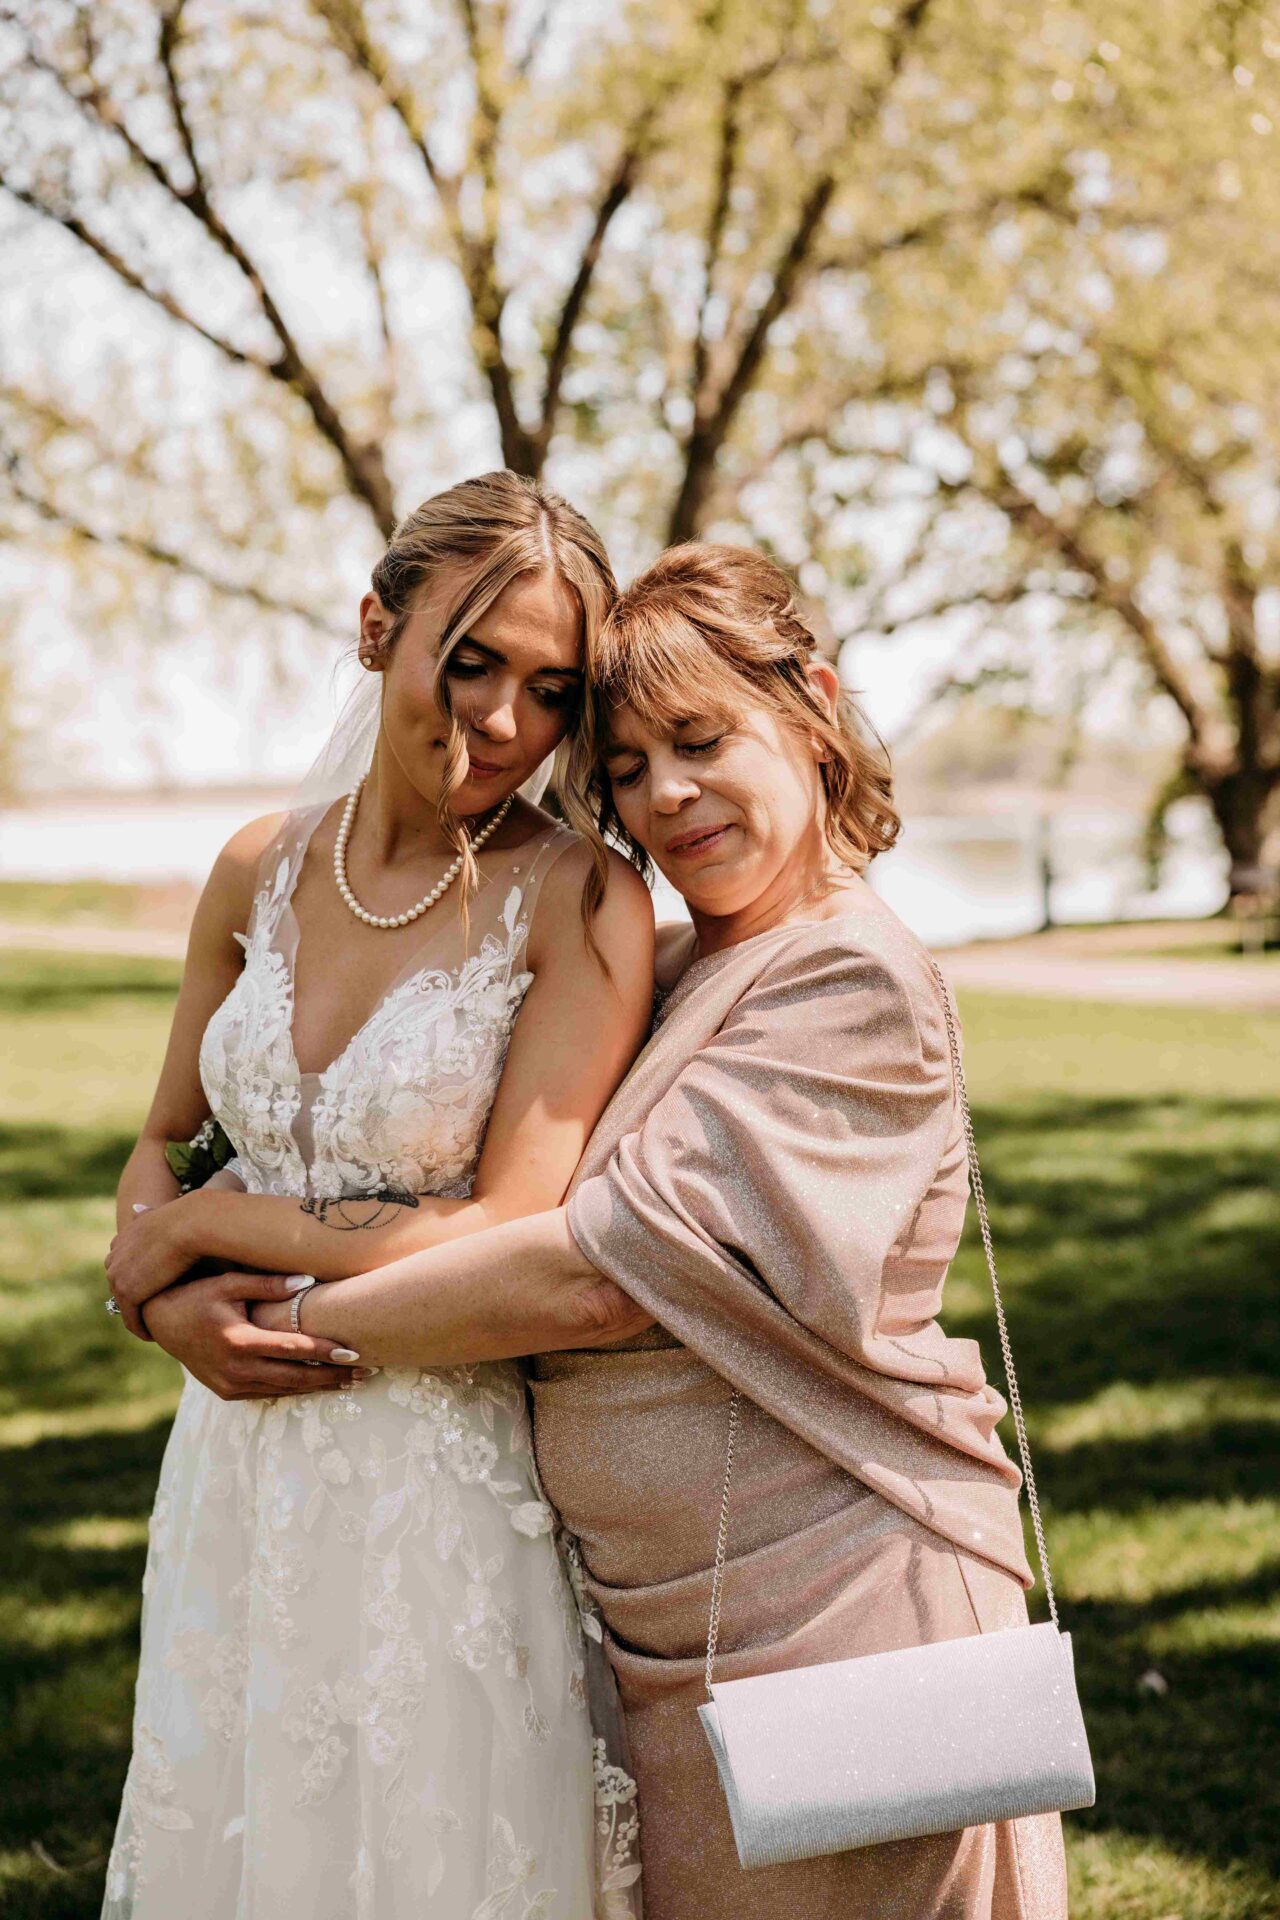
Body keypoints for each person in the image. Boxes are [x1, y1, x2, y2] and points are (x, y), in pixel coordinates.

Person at [253, 542, 1071, 1918]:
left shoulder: (851, 978)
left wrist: (287, 1328)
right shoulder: (688, 963)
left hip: (842, 1616)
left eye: (701, 741)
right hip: (667, 1632)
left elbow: (594, 1275)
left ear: (813, 709)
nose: (665, 795)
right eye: (627, 767)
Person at [99, 471, 654, 1919]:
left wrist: (207, 1233)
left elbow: (511, 1225)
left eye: (550, 691)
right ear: (375, 629)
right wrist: (164, 1306)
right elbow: (163, 1139)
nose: (503, 722)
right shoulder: (254, 869)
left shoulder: (580, 899)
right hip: (232, 1467)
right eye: (470, 661)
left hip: (438, 1483)